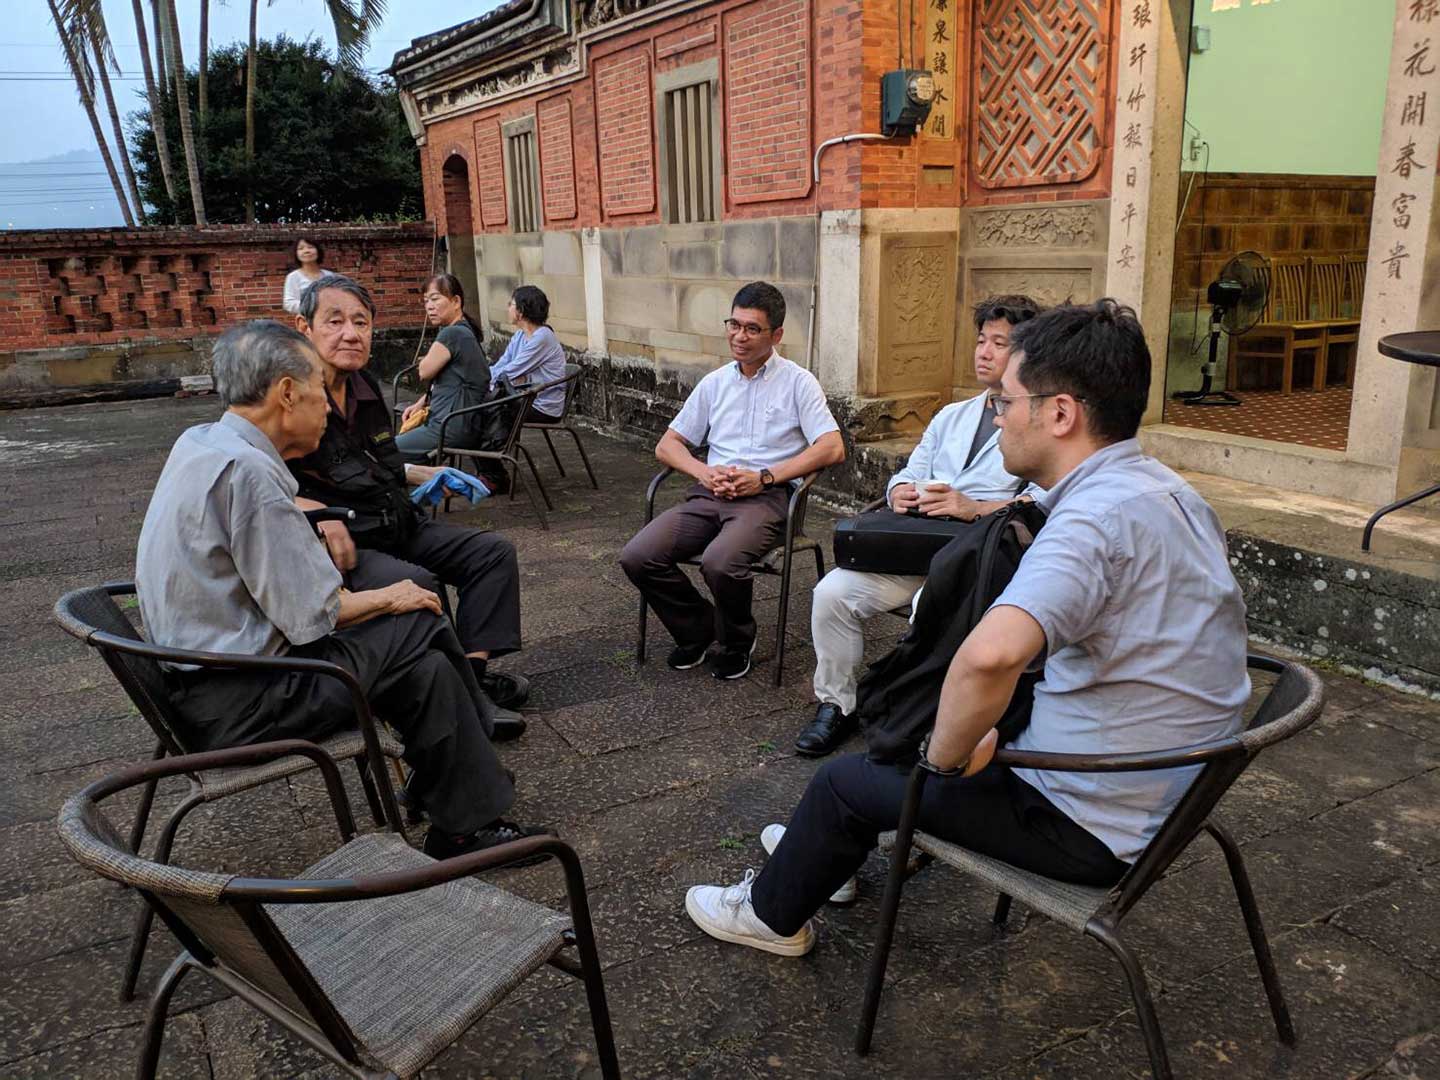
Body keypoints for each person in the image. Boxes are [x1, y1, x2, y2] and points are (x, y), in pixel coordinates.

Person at [684, 298, 1251, 955]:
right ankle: (829, 850)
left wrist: (942, 763)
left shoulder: (1091, 522)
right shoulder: (1172, 493)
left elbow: (989, 660)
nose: (1000, 415)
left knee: (852, 778)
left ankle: (770, 915)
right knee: (915, 738)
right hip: (1162, 783)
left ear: (1060, 413)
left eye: (1008, 402)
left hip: (1084, 818)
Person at [135, 320, 548, 859]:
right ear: (286, 393)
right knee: (417, 616)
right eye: (315, 391)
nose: (325, 409)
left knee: (421, 667)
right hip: (247, 700)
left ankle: (461, 814)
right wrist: (391, 596)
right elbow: (312, 616)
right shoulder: (249, 475)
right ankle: (467, 775)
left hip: (210, 683)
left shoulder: (203, 443)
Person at [795, 295, 1043, 758]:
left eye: (999, 343)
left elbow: (1044, 503)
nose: (984, 351)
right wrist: (898, 492)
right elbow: (911, 471)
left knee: (932, 610)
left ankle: (923, 714)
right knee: (831, 593)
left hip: (978, 565)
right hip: (914, 550)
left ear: (1028, 353)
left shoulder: (1039, 421)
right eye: (981, 340)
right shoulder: (953, 416)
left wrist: (975, 507)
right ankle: (837, 705)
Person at [290, 275, 532, 729]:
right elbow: (253, 481)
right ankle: (464, 706)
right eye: (335, 321)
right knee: (417, 584)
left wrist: (427, 472)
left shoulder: (361, 387)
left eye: (361, 322)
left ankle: (469, 679)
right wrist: (308, 511)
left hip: (397, 521)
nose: (350, 333)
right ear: (304, 327)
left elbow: (382, 462)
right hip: (349, 543)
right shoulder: (287, 396)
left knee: (491, 554)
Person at [619, 281, 846, 681]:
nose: (739, 336)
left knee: (720, 562)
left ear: (775, 335)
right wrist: (703, 472)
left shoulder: (798, 382)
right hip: (709, 494)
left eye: (752, 329)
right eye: (734, 324)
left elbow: (832, 448)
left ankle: (738, 640)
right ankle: (700, 629)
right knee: (638, 556)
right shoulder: (716, 382)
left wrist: (764, 477)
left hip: (767, 500)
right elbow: (668, 445)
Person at [394, 273, 493, 464]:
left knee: (382, 454)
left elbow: (424, 372)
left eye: (435, 299)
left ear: (456, 301)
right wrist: (421, 402)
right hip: (464, 424)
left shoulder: (452, 333)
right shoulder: (465, 330)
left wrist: (426, 359)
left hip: (447, 427)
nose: (429, 306)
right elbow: (451, 381)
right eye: (425, 301)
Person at [490, 284, 568, 424]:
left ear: (521, 311)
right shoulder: (520, 335)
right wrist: (484, 377)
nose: (508, 308)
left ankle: (499, 445)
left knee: (489, 409)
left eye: (511, 304)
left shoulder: (542, 337)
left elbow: (510, 371)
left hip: (542, 407)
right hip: (526, 397)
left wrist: (483, 381)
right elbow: (504, 362)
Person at [281, 236, 335, 315]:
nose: (306, 251)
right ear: (296, 254)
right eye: (301, 248)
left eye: (310, 247)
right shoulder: (293, 277)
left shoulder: (330, 276)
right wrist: (313, 307)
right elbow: (288, 303)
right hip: (306, 321)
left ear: (318, 251)